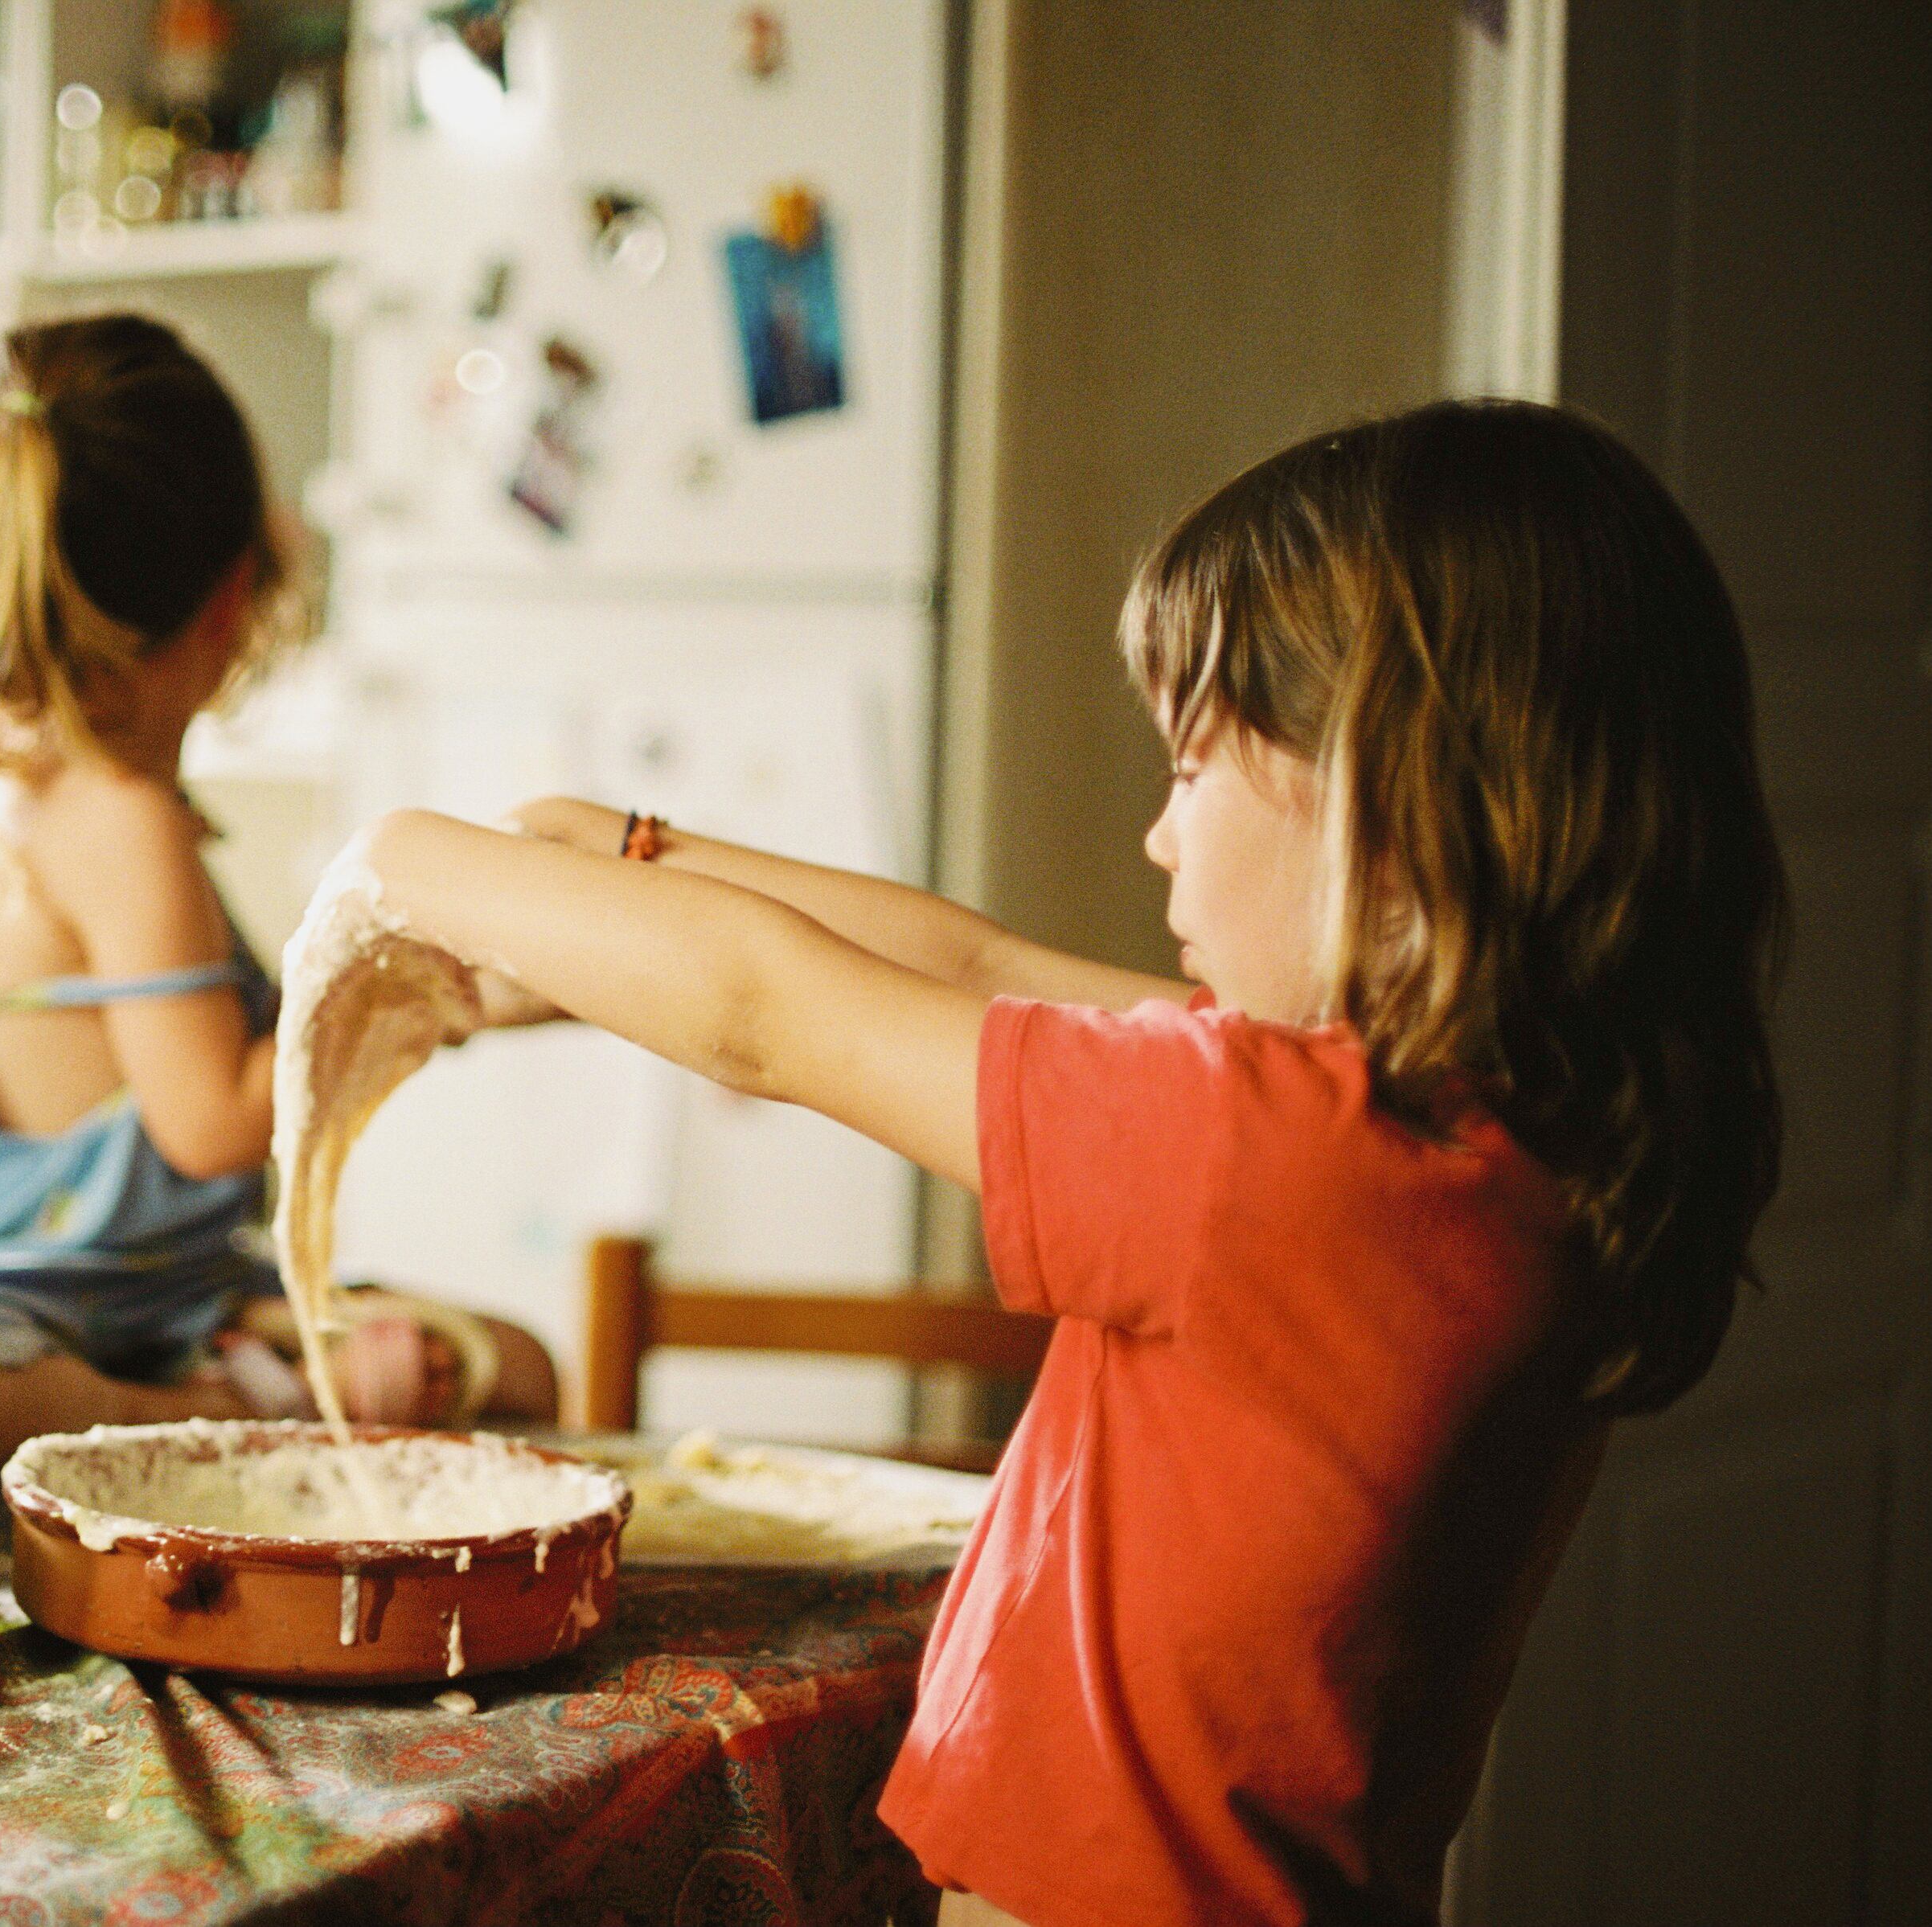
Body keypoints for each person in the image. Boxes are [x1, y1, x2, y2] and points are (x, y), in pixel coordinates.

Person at [333, 400, 1783, 1925]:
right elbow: (979, 961)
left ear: (1389, 785)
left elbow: (762, 1017)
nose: (1159, 838)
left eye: (1193, 767)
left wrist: (392, 865)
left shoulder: (1265, 1150)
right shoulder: (1463, 1141)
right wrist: (630, 852)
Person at [0, 313, 555, 1464]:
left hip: (166, 1311)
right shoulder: (109, 811)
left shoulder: (40, 782)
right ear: (232, 596)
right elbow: (211, 1126)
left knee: (514, 1361)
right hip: (6, 1324)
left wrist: (469, 977)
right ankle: (247, 1416)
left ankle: (227, 1397)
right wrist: (436, 994)